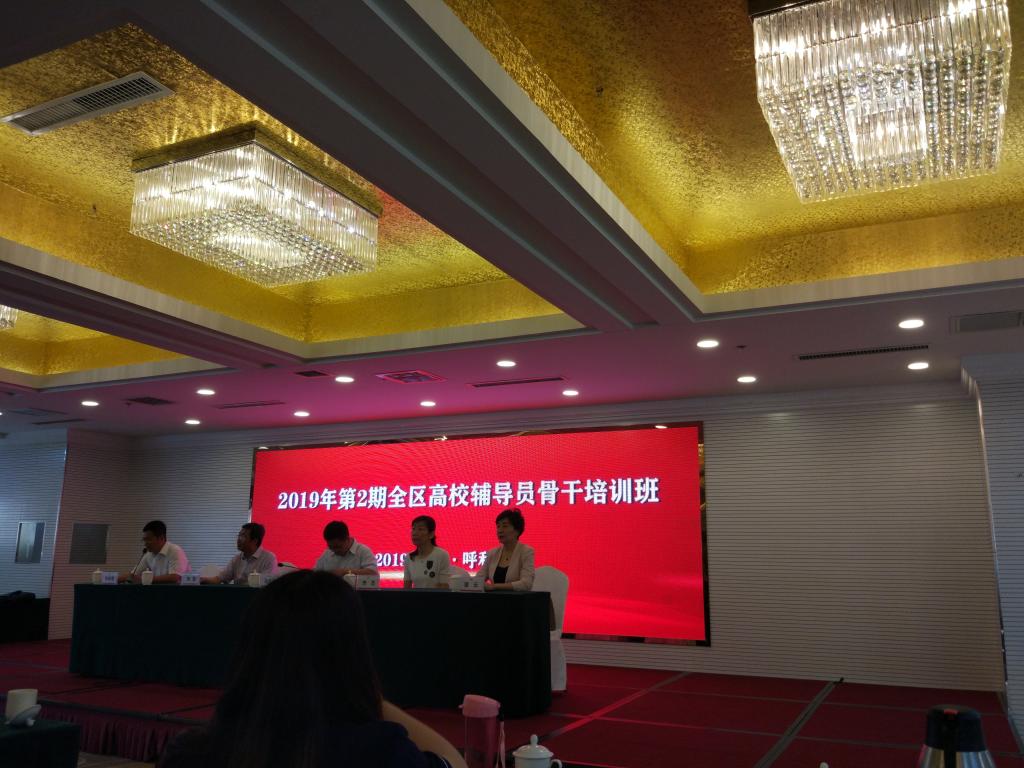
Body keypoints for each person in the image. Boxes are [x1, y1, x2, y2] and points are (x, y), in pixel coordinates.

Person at [158, 570, 466, 768]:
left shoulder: (188, 753)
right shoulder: (382, 751)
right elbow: (453, 762)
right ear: (351, 651)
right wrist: (362, 690)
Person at [477, 508, 535, 591]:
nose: (500, 530)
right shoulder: (492, 553)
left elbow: (526, 584)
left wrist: (494, 586)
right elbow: (478, 579)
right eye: (498, 526)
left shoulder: (526, 551)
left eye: (505, 526)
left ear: (517, 530)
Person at [202, 523, 277, 584]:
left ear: (255, 541)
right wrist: (202, 579)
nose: (238, 539)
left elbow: (267, 583)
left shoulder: (269, 558)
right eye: (239, 535)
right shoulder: (236, 559)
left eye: (243, 536)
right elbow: (220, 578)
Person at [119, 520, 189, 584]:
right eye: (144, 540)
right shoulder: (148, 554)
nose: (145, 543)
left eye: (148, 540)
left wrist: (145, 580)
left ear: (161, 538)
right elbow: (134, 575)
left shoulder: (175, 551)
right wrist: (114, 579)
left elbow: (175, 577)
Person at [403, 515, 451, 589]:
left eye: (420, 529)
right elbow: (406, 588)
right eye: (413, 529)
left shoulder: (442, 555)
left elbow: (444, 587)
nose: (414, 533)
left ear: (431, 534)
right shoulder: (409, 557)